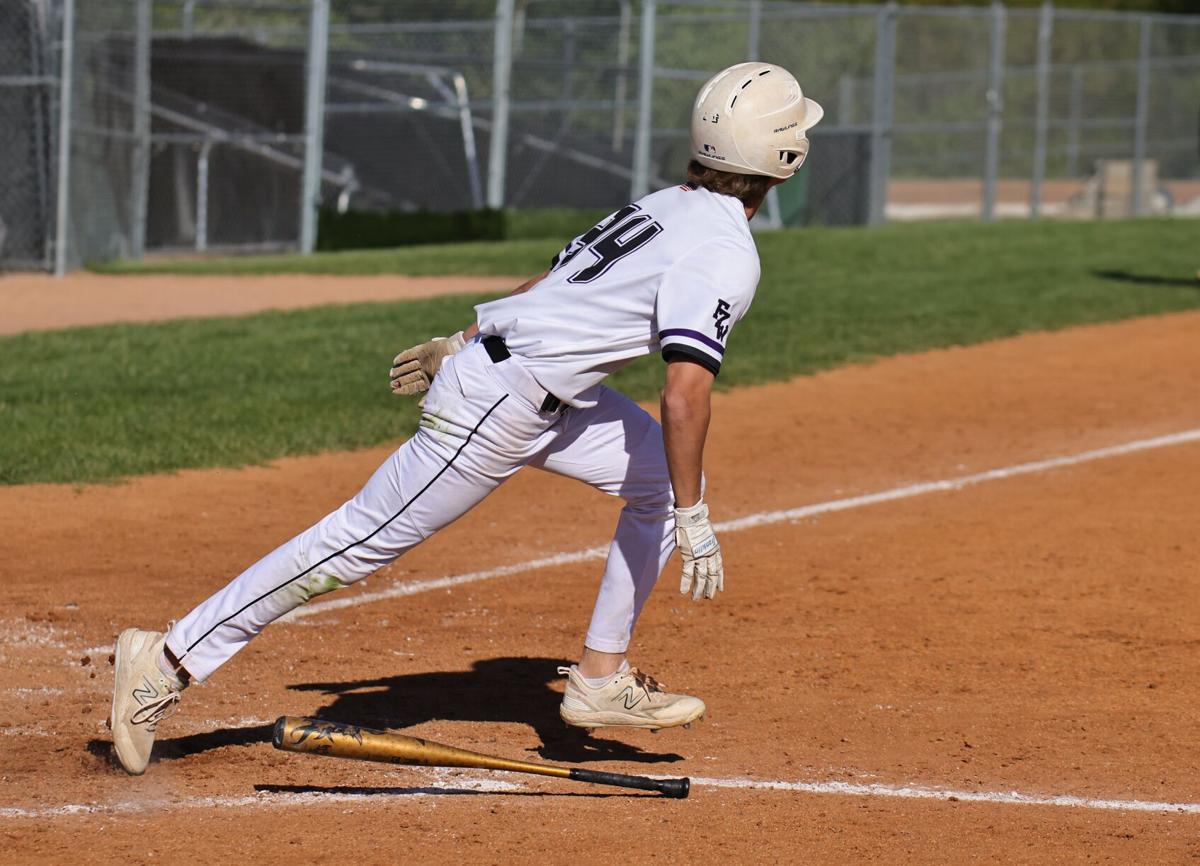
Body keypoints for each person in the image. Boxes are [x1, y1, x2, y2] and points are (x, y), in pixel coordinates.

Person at [109, 62, 823, 775]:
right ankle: (168, 660)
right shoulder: (727, 250)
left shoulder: (665, 204)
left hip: (536, 391)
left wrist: (462, 341)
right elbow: (683, 393)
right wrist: (699, 516)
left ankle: (600, 680)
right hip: (500, 403)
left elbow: (552, 288)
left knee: (659, 487)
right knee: (358, 541)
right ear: (783, 157)